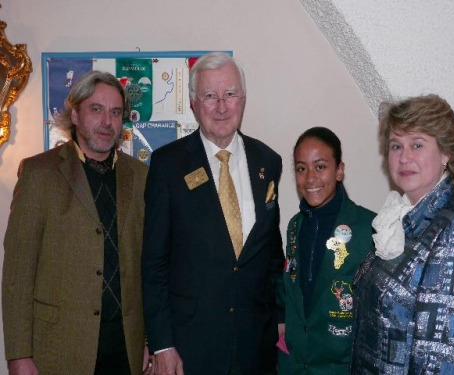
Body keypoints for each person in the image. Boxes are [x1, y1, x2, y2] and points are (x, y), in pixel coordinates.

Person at [141, 51, 284, 375]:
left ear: (243, 99)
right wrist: (161, 344)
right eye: (210, 96)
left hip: (255, 347)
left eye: (230, 94)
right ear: (194, 103)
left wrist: (280, 316)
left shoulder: (268, 162)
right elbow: (154, 264)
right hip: (190, 348)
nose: (221, 106)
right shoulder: (168, 165)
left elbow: (271, 253)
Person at [2, 71, 150, 374]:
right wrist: (18, 354)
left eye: (115, 112)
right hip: (59, 349)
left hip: (126, 349)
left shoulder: (140, 177)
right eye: (96, 109)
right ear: (75, 114)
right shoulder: (38, 173)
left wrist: (150, 340)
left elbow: (149, 266)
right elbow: (17, 273)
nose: (107, 121)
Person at [351, 94, 454, 374]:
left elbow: (443, 360)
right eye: (396, 146)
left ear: (446, 153)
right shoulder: (401, 218)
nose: (404, 157)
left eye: (417, 144)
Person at [276, 127, 376, 374]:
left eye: (320, 166)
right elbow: (290, 292)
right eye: (301, 168)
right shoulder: (294, 226)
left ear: (339, 170)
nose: (310, 178)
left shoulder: (369, 228)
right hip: (294, 366)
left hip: (340, 367)